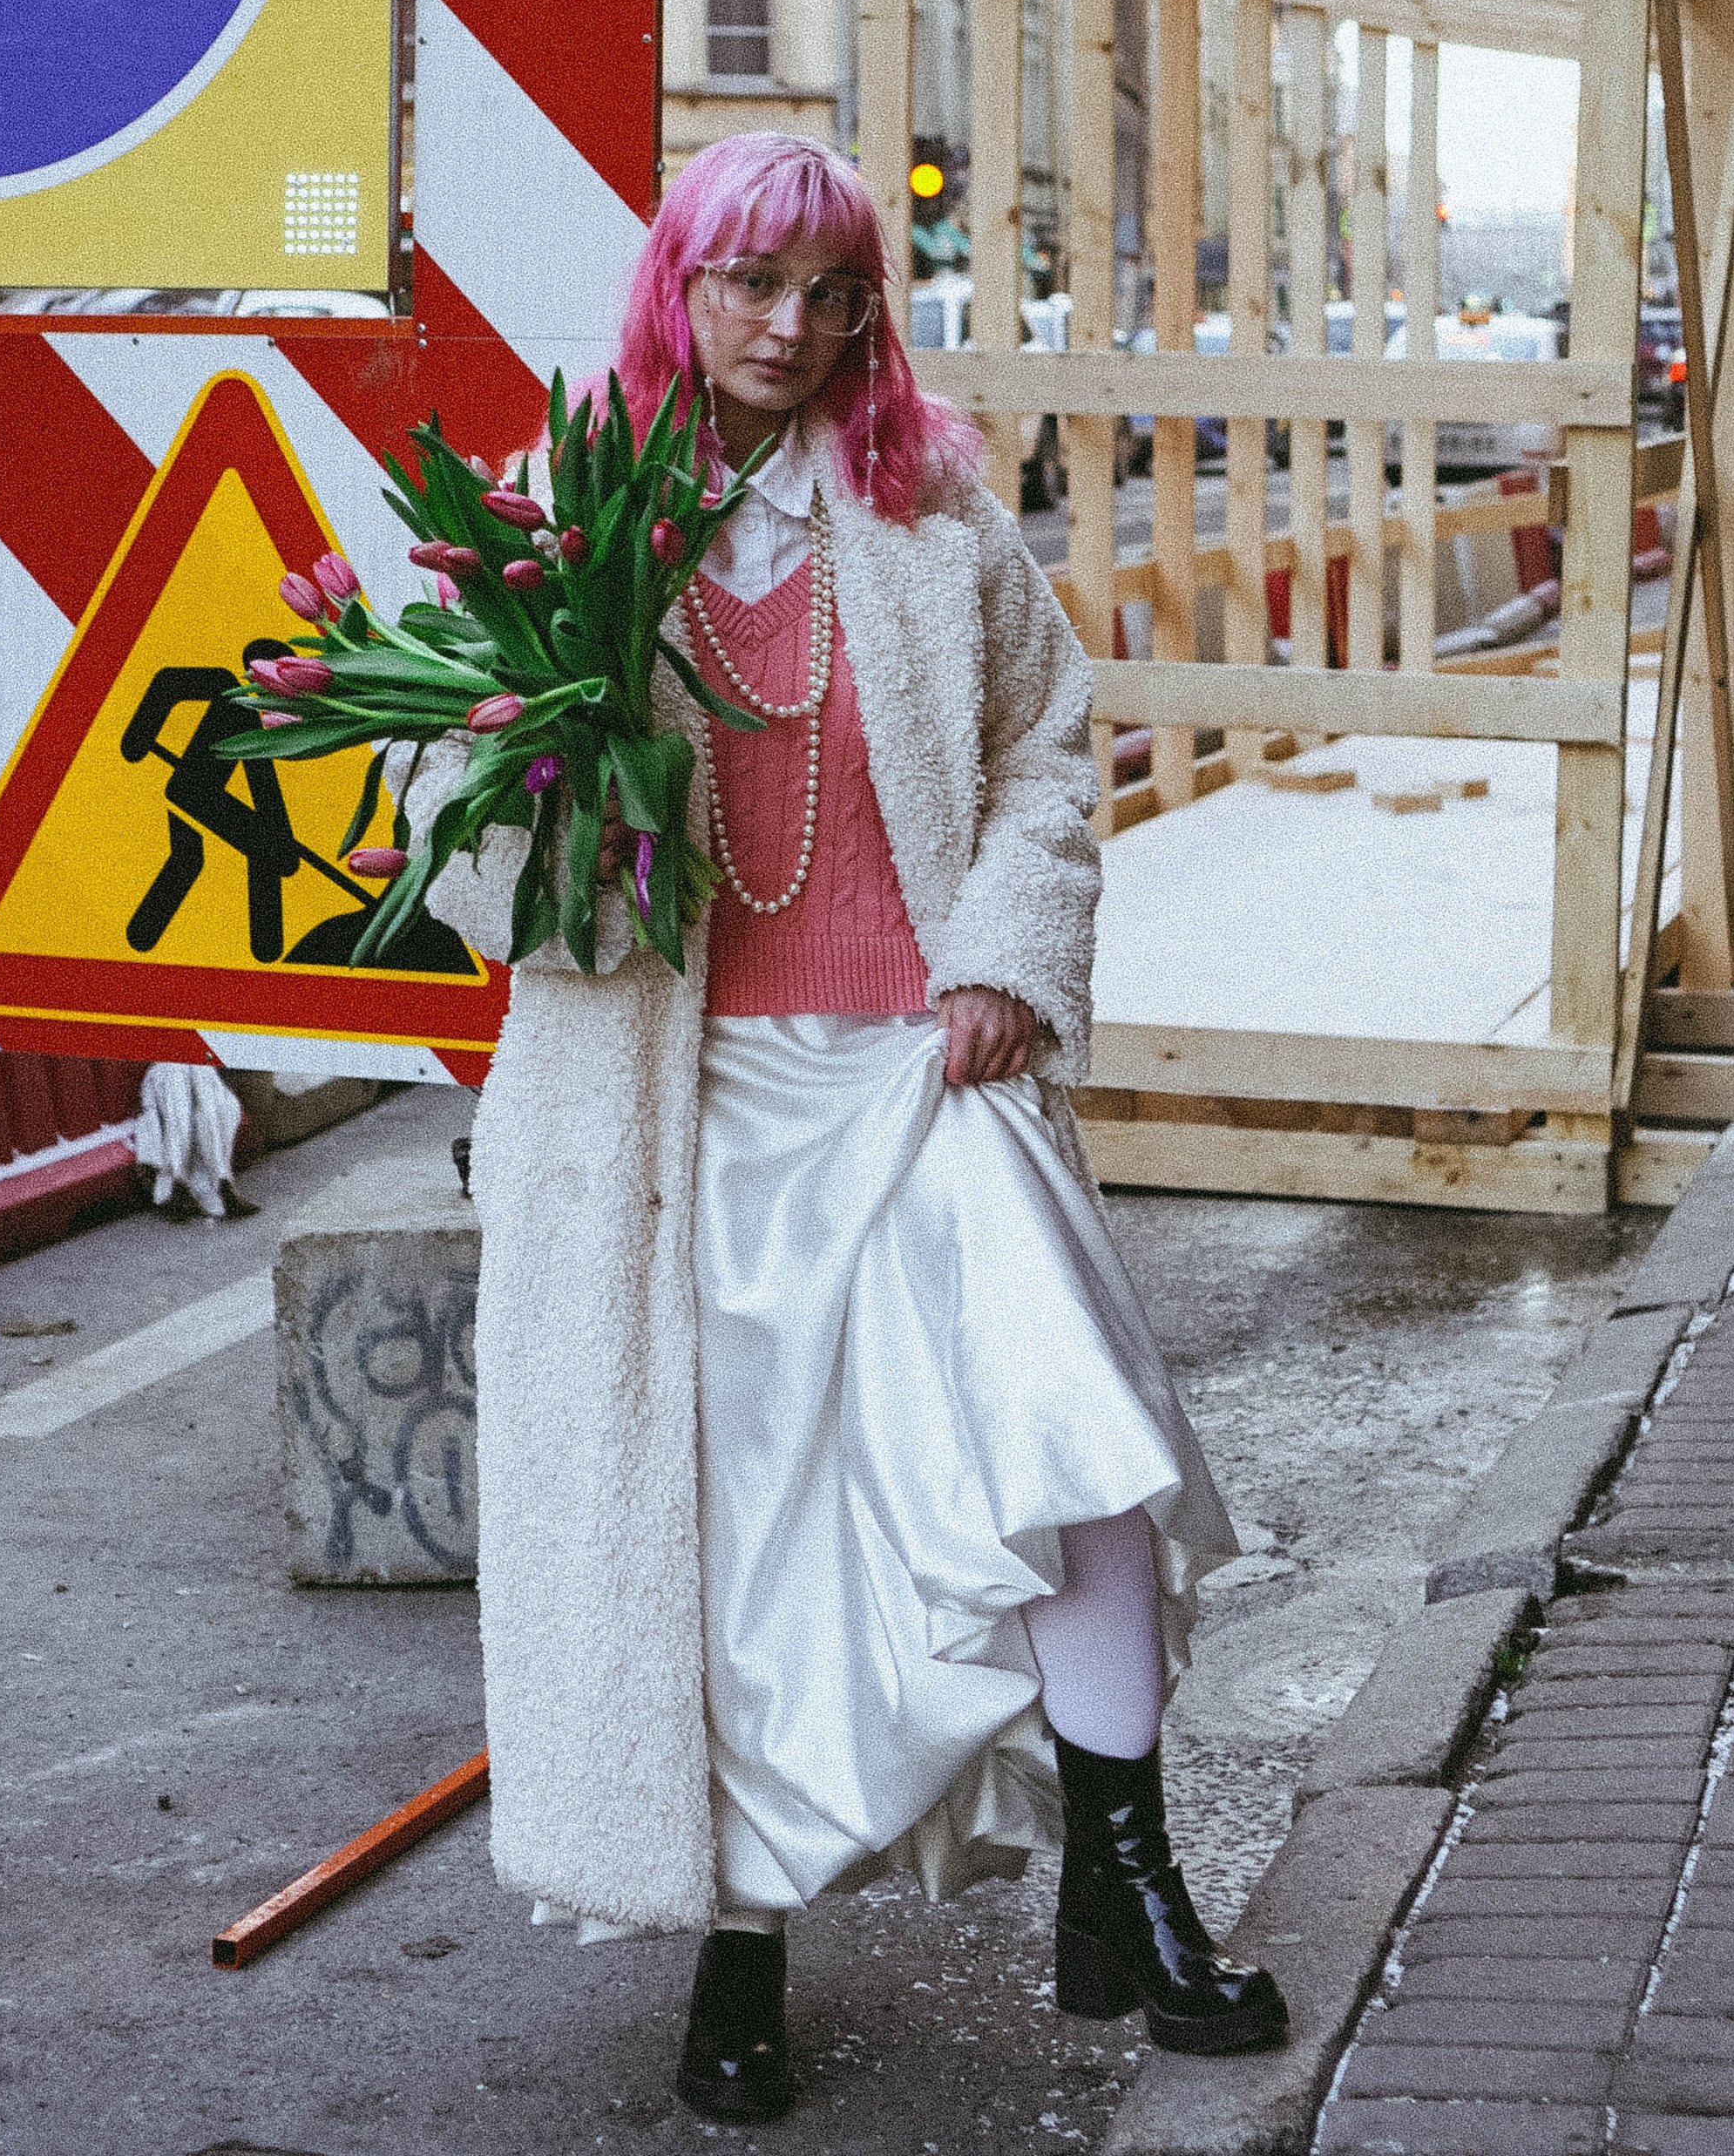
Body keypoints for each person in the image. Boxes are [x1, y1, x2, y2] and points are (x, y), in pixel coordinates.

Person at [409, 132, 1285, 2124]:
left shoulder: (929, 508)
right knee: (713, 1546)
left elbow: (1044, 752)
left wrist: (1005, 957)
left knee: (1073, 1450)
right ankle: (736, 1956)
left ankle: (1126, 1886)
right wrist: (520, 778)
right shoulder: (555, 528)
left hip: (921, 1071)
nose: (788, 328)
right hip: (675, 1113)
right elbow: (464, 875)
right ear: (676, 287)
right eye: (748, 285)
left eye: (827, 293)